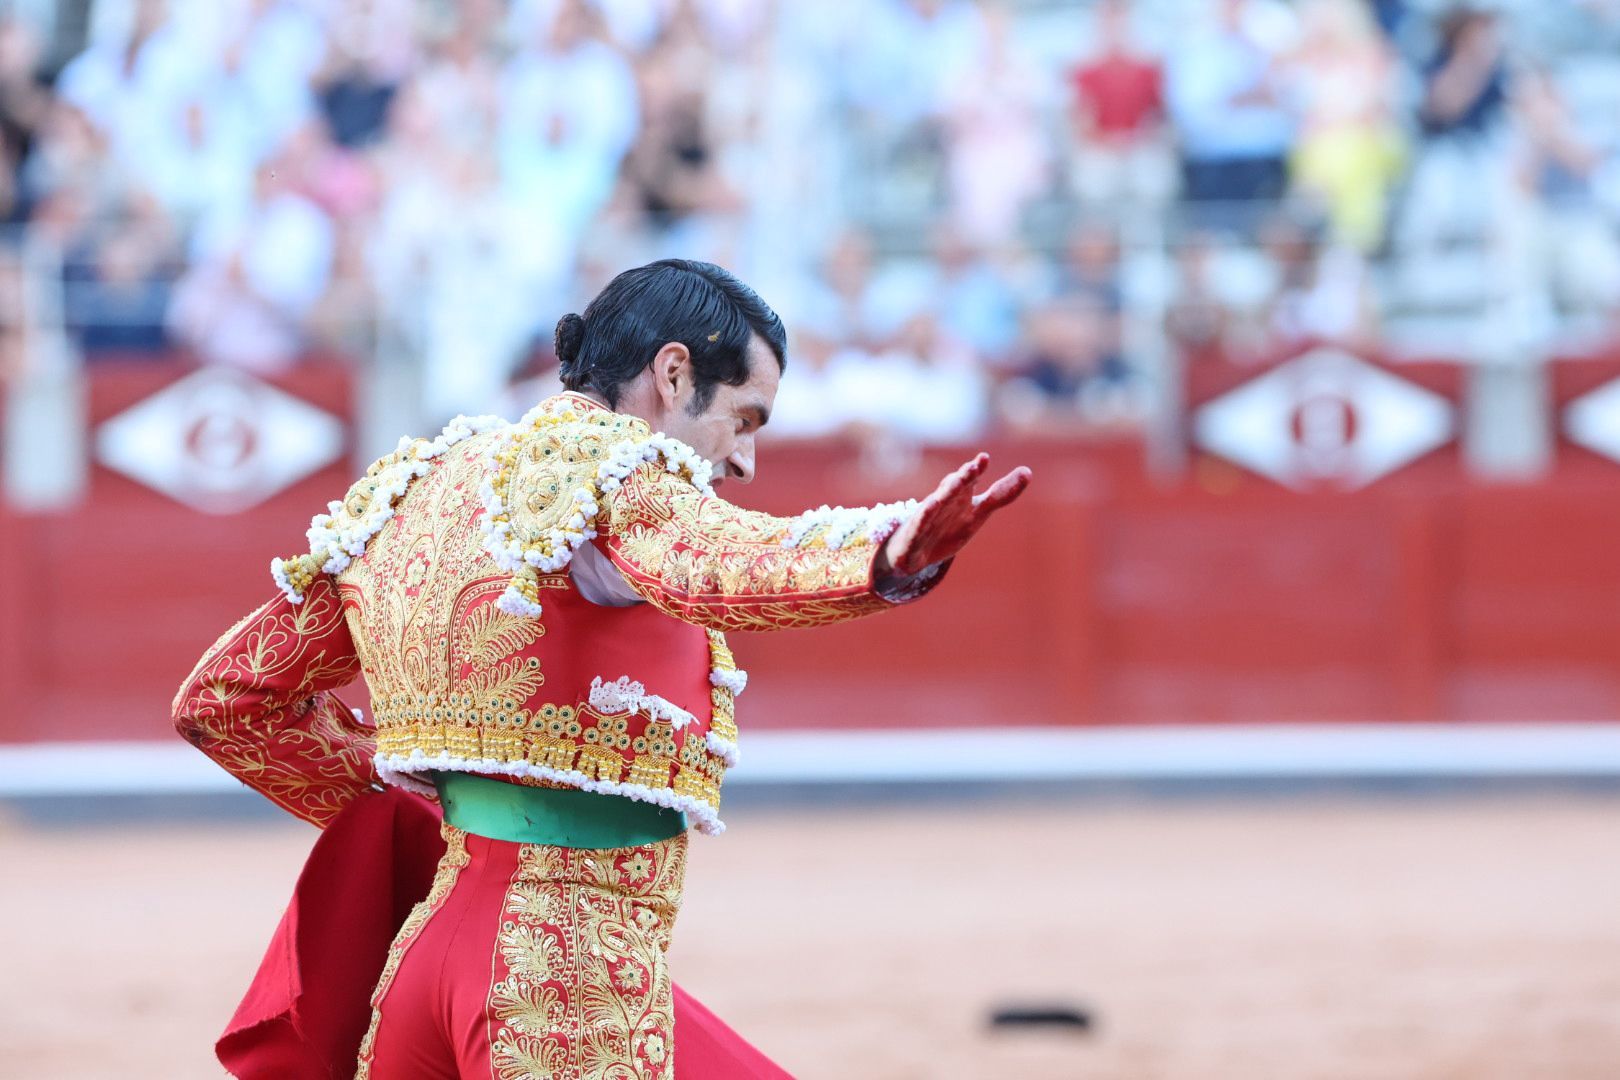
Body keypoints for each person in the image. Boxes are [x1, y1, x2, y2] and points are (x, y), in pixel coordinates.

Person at [172, 259, 1031, 1079]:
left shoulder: (415, 488)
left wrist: (417, 809)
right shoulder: (615, 475)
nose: (743, 460)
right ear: (671, 373)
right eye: (744, 418)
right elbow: (714, 563)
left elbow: (225, 701)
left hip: (424, 962)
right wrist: (885, 554)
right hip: (563, 972)